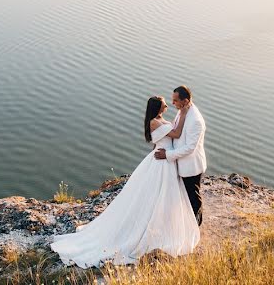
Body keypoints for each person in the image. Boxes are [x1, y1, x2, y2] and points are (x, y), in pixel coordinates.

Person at [50, 95, 200, 267]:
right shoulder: (154, 122)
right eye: (165, 103)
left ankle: (163, 227)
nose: (168, 105)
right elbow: (177, 133)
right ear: (158, 107)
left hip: (166, 160)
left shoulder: (159, 119)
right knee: (155, 196)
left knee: (165, 196)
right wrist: (184, 111)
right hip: (161, 162)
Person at [154, 85, 207, 225]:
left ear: (185, 100)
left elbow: (190, 148)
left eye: (175, 101)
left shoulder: (195, 120)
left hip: (191, 166)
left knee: (193, 198)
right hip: (181, 163)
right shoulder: (183, 110)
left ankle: (196, 226)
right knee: (184, 196)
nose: (172, 104)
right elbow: (176, 128)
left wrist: (167, 154)